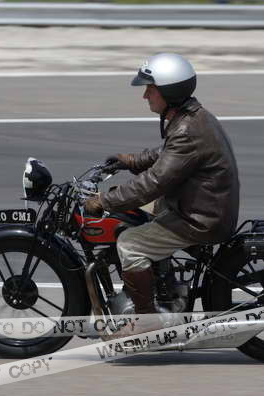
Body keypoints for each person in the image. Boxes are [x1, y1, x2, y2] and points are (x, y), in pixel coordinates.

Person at [85, 53, 240, 328]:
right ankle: (162, 280)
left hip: (199, 218)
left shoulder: (186, 129)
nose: (145, 95)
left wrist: (104, 201)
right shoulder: (191, 117)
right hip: (199, 204)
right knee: (130, 212)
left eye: (151, 89)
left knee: (130, 244)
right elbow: (167, 155)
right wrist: (130, 161)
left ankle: (147, 323)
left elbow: (153, 183)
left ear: (169, 91)